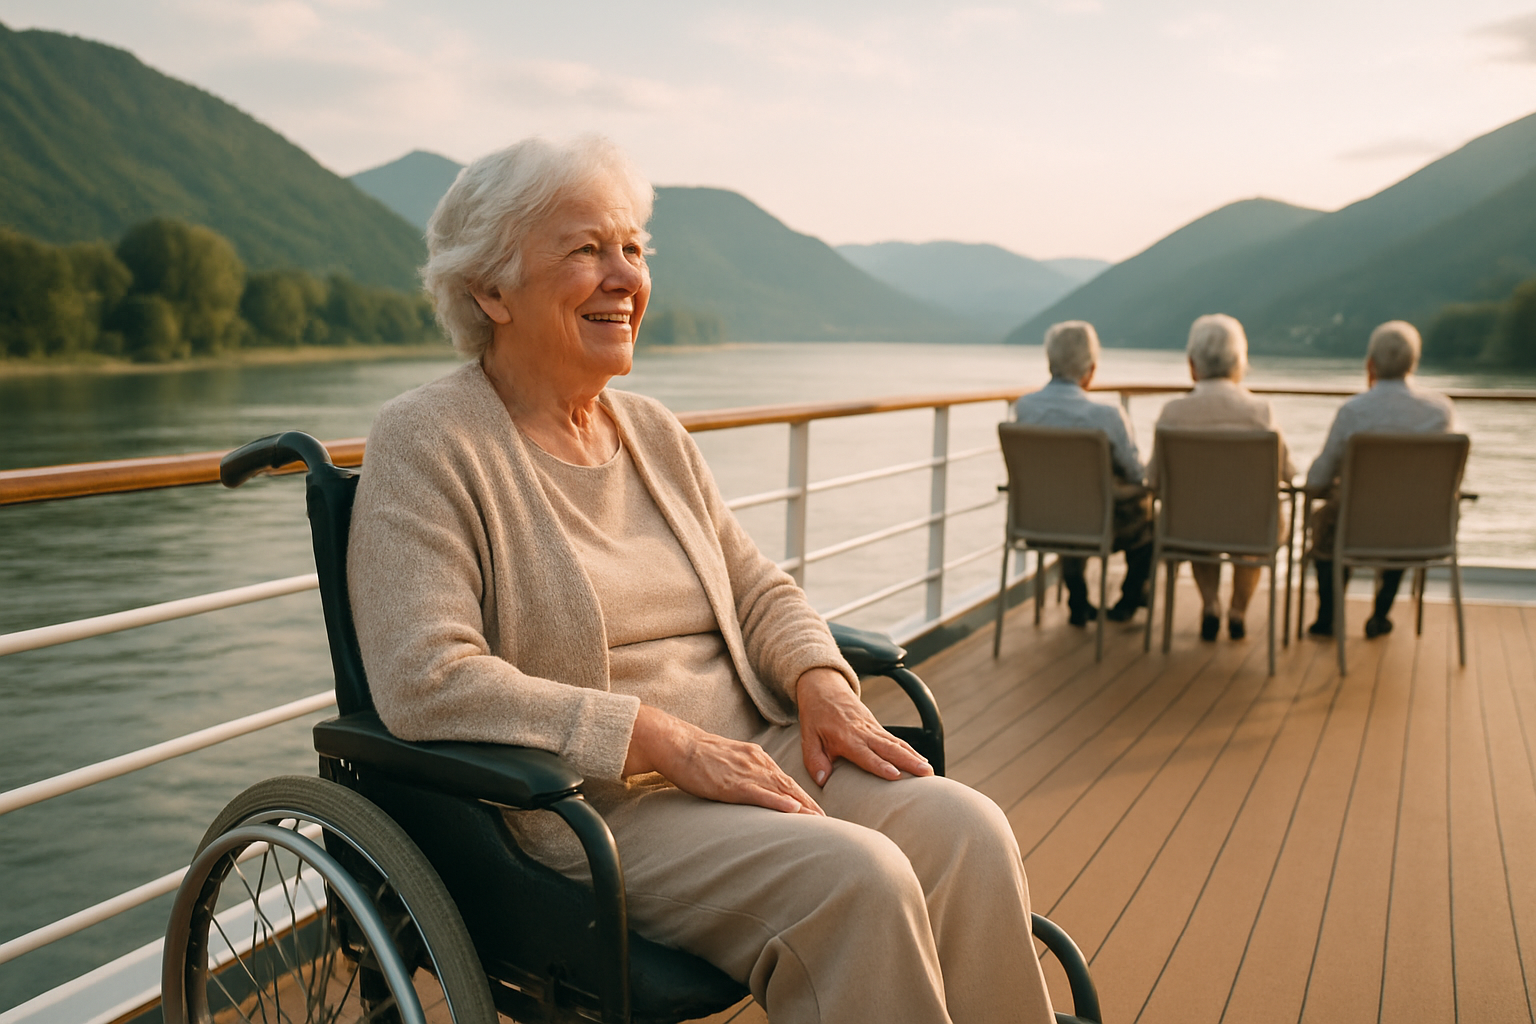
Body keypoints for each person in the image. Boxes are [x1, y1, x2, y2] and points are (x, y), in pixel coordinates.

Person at [346, 137, 1055, 1024]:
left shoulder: (651, 433)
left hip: (755, 749)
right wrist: (659, 739)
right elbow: (427, 679)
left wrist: (820, 683)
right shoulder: (427, 441)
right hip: (593, 808)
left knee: (968, 833)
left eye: (634, 249)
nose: (624, 276)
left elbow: (759, 588)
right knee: (859, 882)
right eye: (585, 249)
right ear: (491, 290)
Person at [1304, 321, 1457, 638]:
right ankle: (1381, 613)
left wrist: (1318, 487)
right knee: (1404, 513)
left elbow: (1318, 479)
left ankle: (1328, 615)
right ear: (1413, 364)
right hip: (1416, 531)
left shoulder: (1354, 412)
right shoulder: (1440, 412)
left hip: (1355, 528)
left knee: (1327, 522)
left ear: (1370, 364)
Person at [1148, 314, 1296, 641]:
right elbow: (1286, 474)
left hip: (1189, 527)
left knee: (1200, 518)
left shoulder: (1173, 413)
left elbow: (1154, 479)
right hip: (1250, 527)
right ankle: (1238, 610)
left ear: (1192, 365)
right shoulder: (1261, 412)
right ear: (1240, 363)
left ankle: (1211, 603)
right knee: (1254, 525)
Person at [1013, 320, 1154, 625]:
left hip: (1043, 522)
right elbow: (1135, 474)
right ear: (1091, 369)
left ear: (1050, 362)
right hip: (1096, 525)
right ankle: (1129, 600)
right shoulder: (1105, 416)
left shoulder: (1025, 409)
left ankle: (1078, 599)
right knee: (1146, 525)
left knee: (1069, 503)